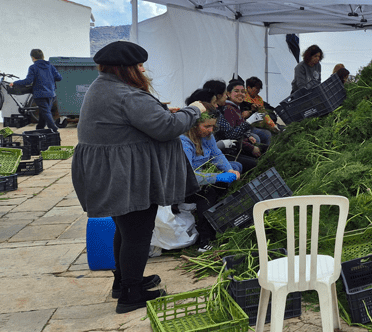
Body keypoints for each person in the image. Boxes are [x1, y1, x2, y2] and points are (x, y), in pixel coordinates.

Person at [71, 41, 204, 313]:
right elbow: (166, 128)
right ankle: (130, 295)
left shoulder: (102, 86)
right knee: (138, 234)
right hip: (125, 175)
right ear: (127, 69)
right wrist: (195, 110)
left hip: (112, 172)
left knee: (125, 229)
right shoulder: (125, 95)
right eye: (140, 65)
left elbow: (138, 123)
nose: (144, 70)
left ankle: (124, 282)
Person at [179, 97, 241, 250]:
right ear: (194, 125)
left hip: (203, 176)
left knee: (223, 185)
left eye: (212, 127)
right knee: (207, 194)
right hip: (184, 185)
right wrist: (217, 177)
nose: (210, 130)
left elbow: (217, 154)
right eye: (206, 126)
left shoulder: (207, 136)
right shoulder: (183, 141)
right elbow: (188, 176)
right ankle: (205, 240)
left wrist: (228, 169)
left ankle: (219, 227)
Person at [12, 49, 62, 131]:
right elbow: (59, 78)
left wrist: (15, 83)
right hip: (51, 94)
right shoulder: (50, 66)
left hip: (40, 94)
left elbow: (28, 81)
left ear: (33, 58)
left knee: (46, 112)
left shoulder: (33, 67)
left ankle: (53, 128)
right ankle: (40, 127)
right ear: (43, 56)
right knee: (44, 111)